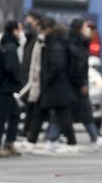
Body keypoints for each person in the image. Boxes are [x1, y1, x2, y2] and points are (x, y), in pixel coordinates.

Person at [46, 19, 102, 150]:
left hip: (73, 83)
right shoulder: (74, 42)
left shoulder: (78, 40)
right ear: (79, 28)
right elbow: (77, 64)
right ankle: (56, 139)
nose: (86, 29)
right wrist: (81, 82)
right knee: (68, 111)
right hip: (73, 84)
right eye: (84, 26)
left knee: (67, 112)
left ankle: (54, 138)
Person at [26, 18, 78, 152]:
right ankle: (32, 141)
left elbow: (58, 65)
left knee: (60, 115)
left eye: (41, 30)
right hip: (54, 86)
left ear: (47, 29)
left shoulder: (55, 44)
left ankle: (71, 143)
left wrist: (47, 79)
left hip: (55, 86)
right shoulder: (53, 42)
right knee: (43, 113)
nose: (40, 33)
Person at [0, 21, 23, 158]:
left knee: (15, 114)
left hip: (3, 86)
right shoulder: (10, 47)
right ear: (14, 31)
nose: (21, 32)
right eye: (19, 29)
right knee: (1, 117)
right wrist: (18, 80)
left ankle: (9, 142)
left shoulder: (5, 44)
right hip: (6, 87)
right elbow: (10, 67)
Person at [19, 9, 43, 139]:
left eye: (29, 20)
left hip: (34, 77)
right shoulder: (30, 37)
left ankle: (30, 131)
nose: (27, 23)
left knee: (34, 107)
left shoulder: (38, 37)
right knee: (31, 106)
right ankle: (28, 130)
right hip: (28, 76)